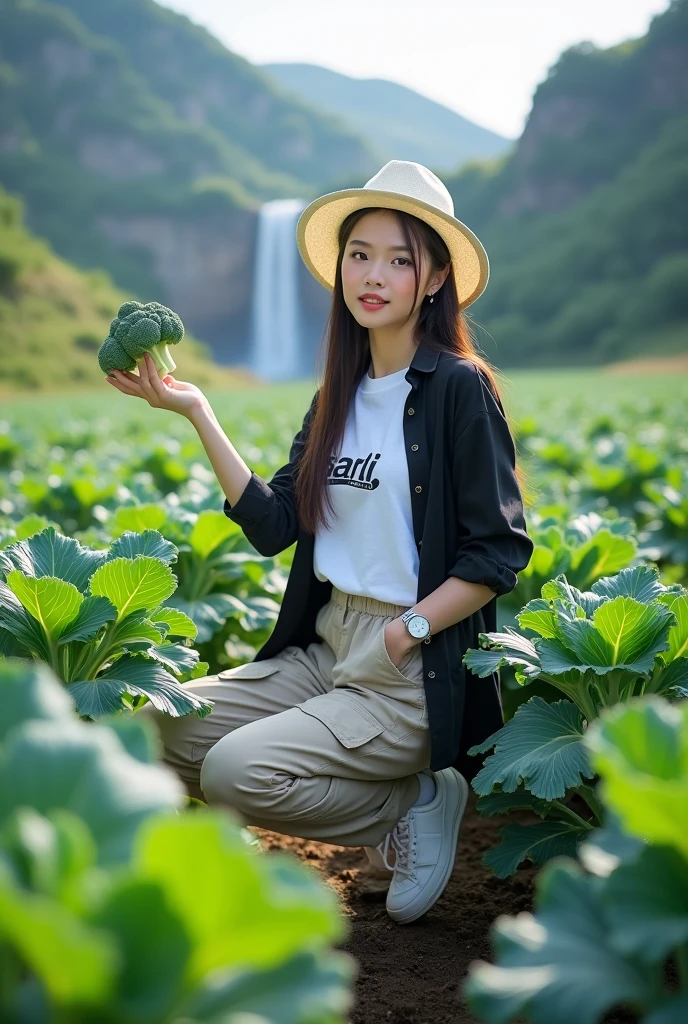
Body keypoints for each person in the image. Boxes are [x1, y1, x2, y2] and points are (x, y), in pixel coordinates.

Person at [106, 159, 534, 925]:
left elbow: (497, 551)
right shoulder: (336, 394)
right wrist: (199, 412)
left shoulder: (459, 389)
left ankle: (412, 803)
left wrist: (407, 632)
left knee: (237, 774)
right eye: (359, 253)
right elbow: (275, 526)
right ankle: (390, 814)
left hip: (409, 658)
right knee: (153, 722)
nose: (374, 275)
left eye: (400, 259)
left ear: (434, 280)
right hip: (326, 646)